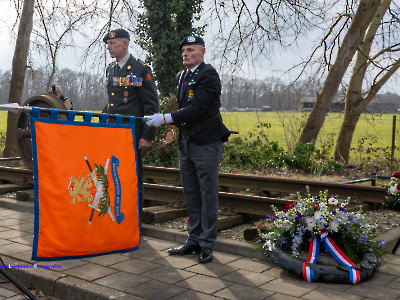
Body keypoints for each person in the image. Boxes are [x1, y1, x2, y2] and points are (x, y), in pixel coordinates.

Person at [146, 35, 230, 263]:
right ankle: (193, 239)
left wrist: (165, 118)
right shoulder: (181, 76)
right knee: (191, 193)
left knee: (207, 194)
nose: (185, 53)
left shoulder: (208, 74)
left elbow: (199, 109)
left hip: (206, 142)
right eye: (183, 50)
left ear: (202, 51)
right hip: (187, 143)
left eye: (191, 50)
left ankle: (207, 244)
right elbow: (185, 109)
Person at [103, 28, 159, 216]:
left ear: (125, 43)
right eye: (108, 44)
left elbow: (151, 106)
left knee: (132, 177)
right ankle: (117, 214)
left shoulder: (140, 69)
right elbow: (113, 104)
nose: (109, 48)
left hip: (132, 133)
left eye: (112, 43)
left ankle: (135, 219)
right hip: (113, 133)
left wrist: (147, 136)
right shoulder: (111, 68)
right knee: (113, 175)